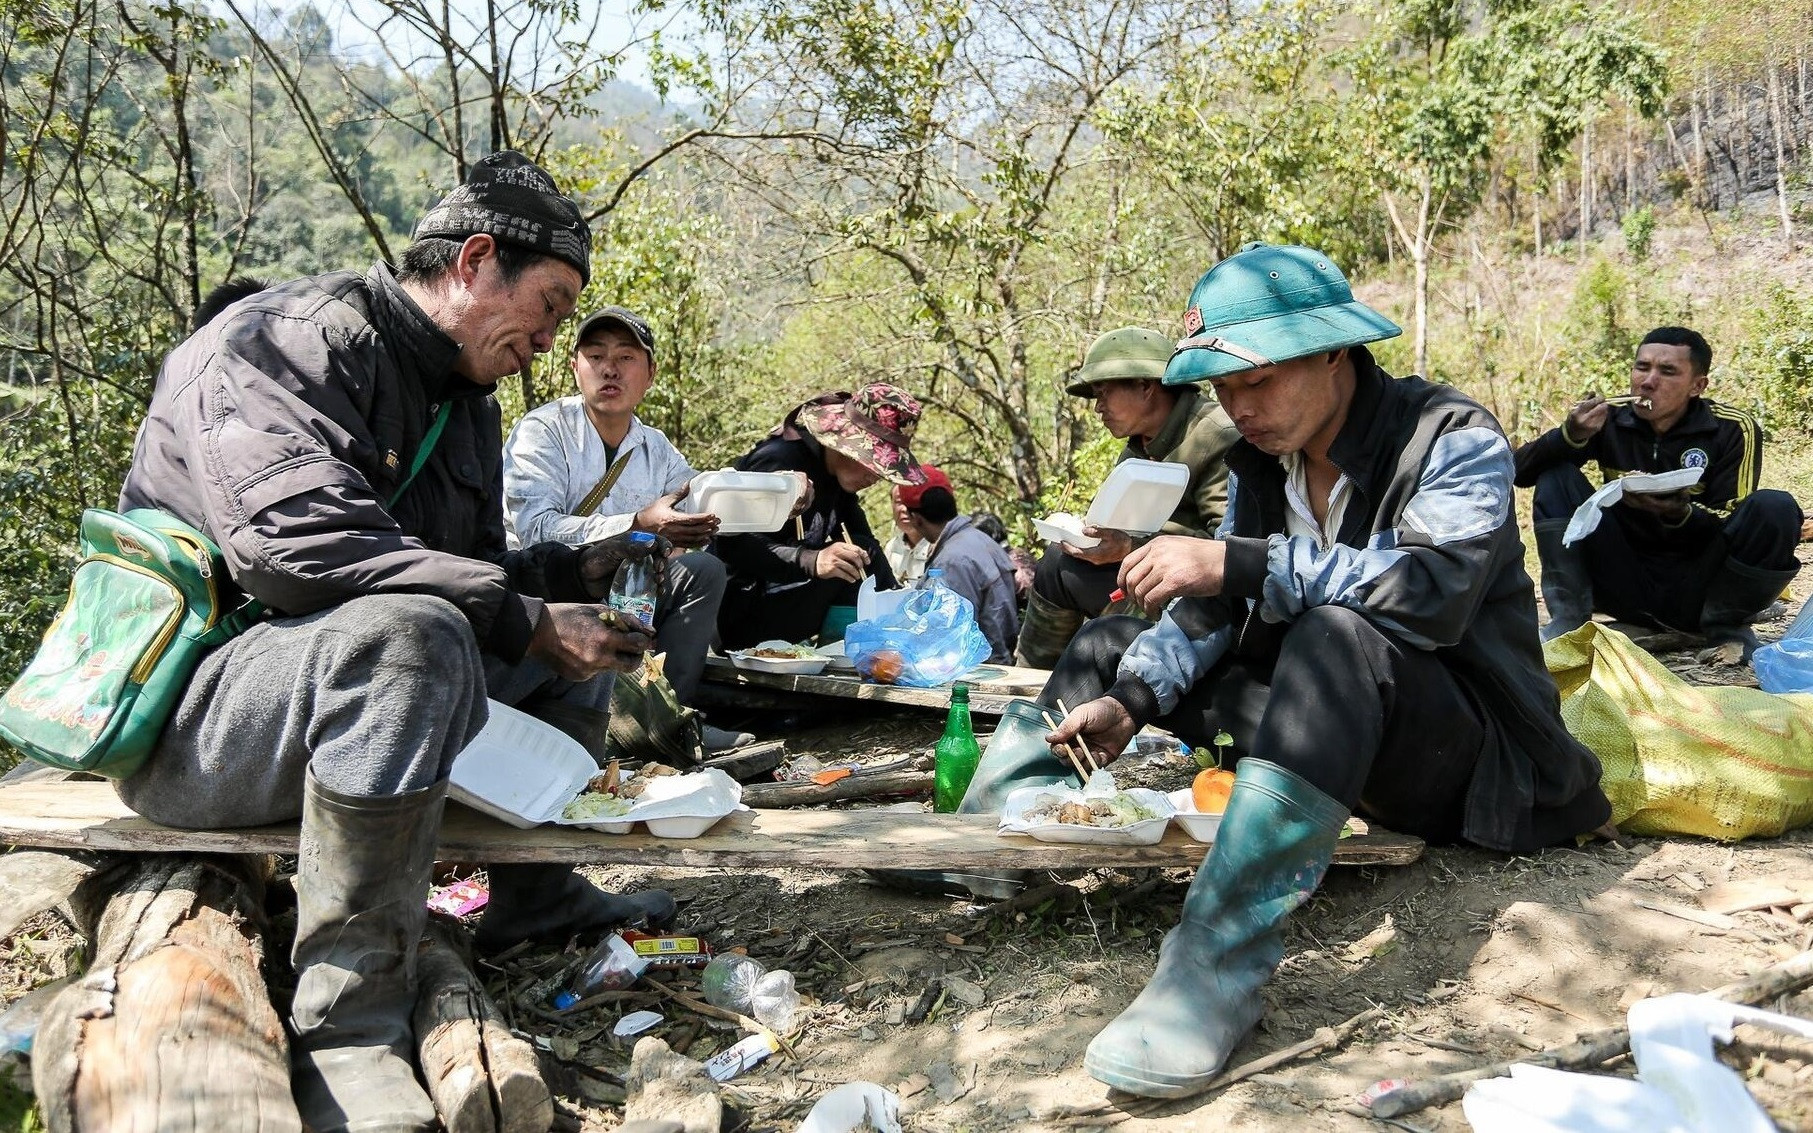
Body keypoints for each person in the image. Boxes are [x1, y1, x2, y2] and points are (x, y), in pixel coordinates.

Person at [953, 244, 1611, 1098]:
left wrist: (1240, 562)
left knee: (1336, 633)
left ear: (1332, 349)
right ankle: (989, 842)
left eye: (1257, 381)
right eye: (1224, 389)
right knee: (1111, 642)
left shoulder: (1451, 435)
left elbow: (1429, 591)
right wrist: (1133, 697)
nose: (1240, 407)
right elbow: (1214, 607)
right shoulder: (1263, 463)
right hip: (1316, 735)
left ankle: (1212, 965)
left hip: (1462, 758)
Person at [113, 152, 677, 1133]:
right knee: (415, 635)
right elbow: (298, 550)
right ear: (475, 259)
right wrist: (521, 618)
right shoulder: (280, 341)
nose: (548, 343)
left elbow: (474, 568)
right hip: (200, 716)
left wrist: (574, 582)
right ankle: (348, 1027)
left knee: (561, 639)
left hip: (344, 694)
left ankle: (530, 899)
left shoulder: (468, 406)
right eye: (545, 308)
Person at [502, 305, 753, 752]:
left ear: (651, 373)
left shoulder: (654, 447)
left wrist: (777, 492)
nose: (609, 369)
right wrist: (636, 525)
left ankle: (668, 720)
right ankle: (601, 724)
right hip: (552, 589)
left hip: (630, 587)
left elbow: (702, 497)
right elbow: (536, 531)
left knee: (703, 570)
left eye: (626, 357)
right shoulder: (543, 431)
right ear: (574, 366)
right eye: (595, 356)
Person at [1514, 326, 1800, 659]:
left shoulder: (1731, 428)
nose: (1648, 381)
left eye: (1667, 372)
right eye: (1642, 367)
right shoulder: (1609, 422)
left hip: (1700, 588)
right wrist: (1569, 434)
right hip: (1624, 580)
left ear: (1697, 386)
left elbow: (1731, 516)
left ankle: (1726, 628)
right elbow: (1518, 472)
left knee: (1776, 507)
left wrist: (1681, 513)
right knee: (1556, 474)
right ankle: (1569, 622)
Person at [1015, 326, 1240, 668]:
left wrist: (1131, 548)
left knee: (1056, 567)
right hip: (1144, 580)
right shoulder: (1138, 447)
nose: (1098, 408)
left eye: (1103, 393)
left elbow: (1228, 552)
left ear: (1146, 386)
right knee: (1057, 563)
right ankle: (1032, 681)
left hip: (1201, 605)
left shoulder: (1215, 436)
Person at [716, 384, 924, 649]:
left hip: (789, 604)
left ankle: (885, 645)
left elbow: (868, 549)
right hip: (741, 613)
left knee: (862, 554)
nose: (875, 477)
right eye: (872, 463)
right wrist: (811, 560)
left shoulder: (839, 481)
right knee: (856, 557)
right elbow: (730, 544)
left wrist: (899, 601)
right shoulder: (780, 460)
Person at [897, 466, 1020, 662]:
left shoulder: (952, 561)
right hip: (999, 660)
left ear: (916, 519)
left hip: (978, 671)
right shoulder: (981, 540)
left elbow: (952, 636)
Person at [883, 483, 933, 586]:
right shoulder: (892, 547)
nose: (904, 509)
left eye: (911, 502)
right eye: (898, 502)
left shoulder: (939, 547)